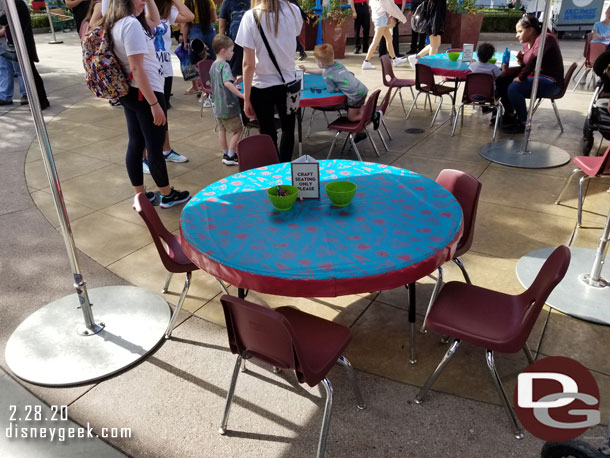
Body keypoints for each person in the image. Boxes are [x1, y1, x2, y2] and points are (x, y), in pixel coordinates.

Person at [104, 0, 190, 208]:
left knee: (136, 142)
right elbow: (137, 67)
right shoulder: (131, 25)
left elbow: (154, 19)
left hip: (131, 91)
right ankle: (167, 194)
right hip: (145, 92)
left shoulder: (119, 22)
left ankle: (140, 196)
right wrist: (154, 103)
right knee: (154, 145)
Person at [235, 0, 303, 163]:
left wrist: (246, 97)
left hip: (261, 86)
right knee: (288, 129)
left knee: (267, 133)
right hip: (288, 84)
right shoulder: (293, 10)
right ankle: (285, 169)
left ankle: (273, 174)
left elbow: (248, 64)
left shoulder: (250, 16)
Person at [141, 0, 194, 173]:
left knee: (163, 113)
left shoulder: (167, 11)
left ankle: (166, 150)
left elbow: (189, 16)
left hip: (164, 70)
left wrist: (177, 2)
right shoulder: (141, 10)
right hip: (148, 70)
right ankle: (143, 157)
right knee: (145, 116)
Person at [497, 15, 564, 134]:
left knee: (514, 87)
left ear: (531, 30)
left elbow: (534, 59)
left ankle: (523, 122)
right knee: (502, 80)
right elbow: (528, 62)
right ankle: (509, 113)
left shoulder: (545, 38)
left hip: (551, 82)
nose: (517, 35)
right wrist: (521, 61)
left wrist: (521, 77)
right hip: (536, 78)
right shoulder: (527, 43)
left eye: (520, 31)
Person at [0, 0, 49, 110]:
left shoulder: (15, 4)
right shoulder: (17, 3)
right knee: (30, 73)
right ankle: (41, 100)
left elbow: (4, 19)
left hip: (22, 44)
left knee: (30, 73)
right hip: (22, 43)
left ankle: (41, 101)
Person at [300, 43, 368, 122]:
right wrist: (307, 70)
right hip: (361, 89)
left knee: (352, 118)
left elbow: (331, 90)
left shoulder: (327, 75)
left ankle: (373, 115)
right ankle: (361, 131)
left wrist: (336, 88)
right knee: (357, 112)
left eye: (316, 60)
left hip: (355, 95)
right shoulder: (337, 64)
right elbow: (323, 71)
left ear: (321, 63)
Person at [210, 35, 243, 166]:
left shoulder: (213, 65)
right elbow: (227, 84)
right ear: (223, 51)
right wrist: (241, 95)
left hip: (217, 106)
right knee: (238, 129)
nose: (233, 53)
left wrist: (234, 84)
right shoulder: (225, 65)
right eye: (231, 50)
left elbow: (220, 83)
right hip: (228, 105)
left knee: (221, 130)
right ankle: (231, 154)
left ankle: (225, 153)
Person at [182, 0, 217, 94]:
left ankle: (198, 87)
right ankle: (213, 86)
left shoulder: (188, 2)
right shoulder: (209, 2)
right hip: (209, 31)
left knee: (196, 62)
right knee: (212, 59)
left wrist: (185, 42)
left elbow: (186, 24)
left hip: (195, 32)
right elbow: (214, 19)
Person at [361, 0, 407, 70]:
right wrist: (402, 18)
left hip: (378, 17)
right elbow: (391, 6)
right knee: (376, 41)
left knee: (389, 39)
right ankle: (366, 61)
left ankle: (395, 59)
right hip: (381, 19)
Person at [407, 0, 446, 69]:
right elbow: (435, 12)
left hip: (434, 23)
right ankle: (432, 65)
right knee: (434, 45)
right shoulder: (436, 2)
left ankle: (415, 57)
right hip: (434, 23)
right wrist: (435, 27)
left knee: (435, 44)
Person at [218, 0, 250, 76]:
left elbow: (222, 25)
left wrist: (221, 42)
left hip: (233, 40)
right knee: (248, 67)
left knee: (232, 70)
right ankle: (246, 87)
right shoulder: (251, 2)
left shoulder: (227, 2)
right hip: (249, 40)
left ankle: (232, 86)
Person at [0, 26, 27, 106]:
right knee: (4, 69)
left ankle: (26, 94)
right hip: (3, 42)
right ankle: (4, 96)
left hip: (13, 40)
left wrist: (4, 30)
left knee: (19, 69)